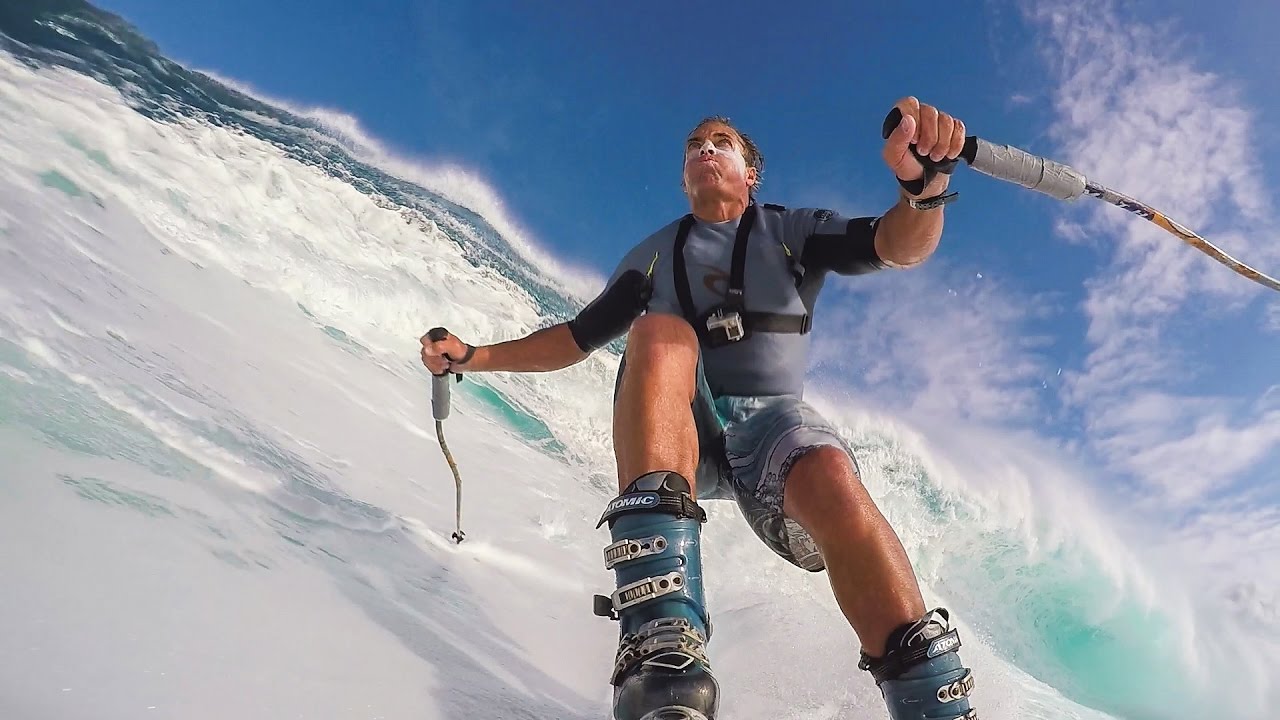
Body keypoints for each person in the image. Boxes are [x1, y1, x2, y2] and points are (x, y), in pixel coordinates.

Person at [420, 96, 978, 720]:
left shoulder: (791, 230)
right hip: (687, 426)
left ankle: (933, 700)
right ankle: (663, 652)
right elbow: (575, 340)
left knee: (829, 474)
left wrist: (922, 193)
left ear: (750, 173)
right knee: (660, 333)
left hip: (774, 429)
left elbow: (895, 245)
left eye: (722, 143)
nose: (706, 150)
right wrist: (473, 356)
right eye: (695, 147)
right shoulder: (654, 255)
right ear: (685, 177)